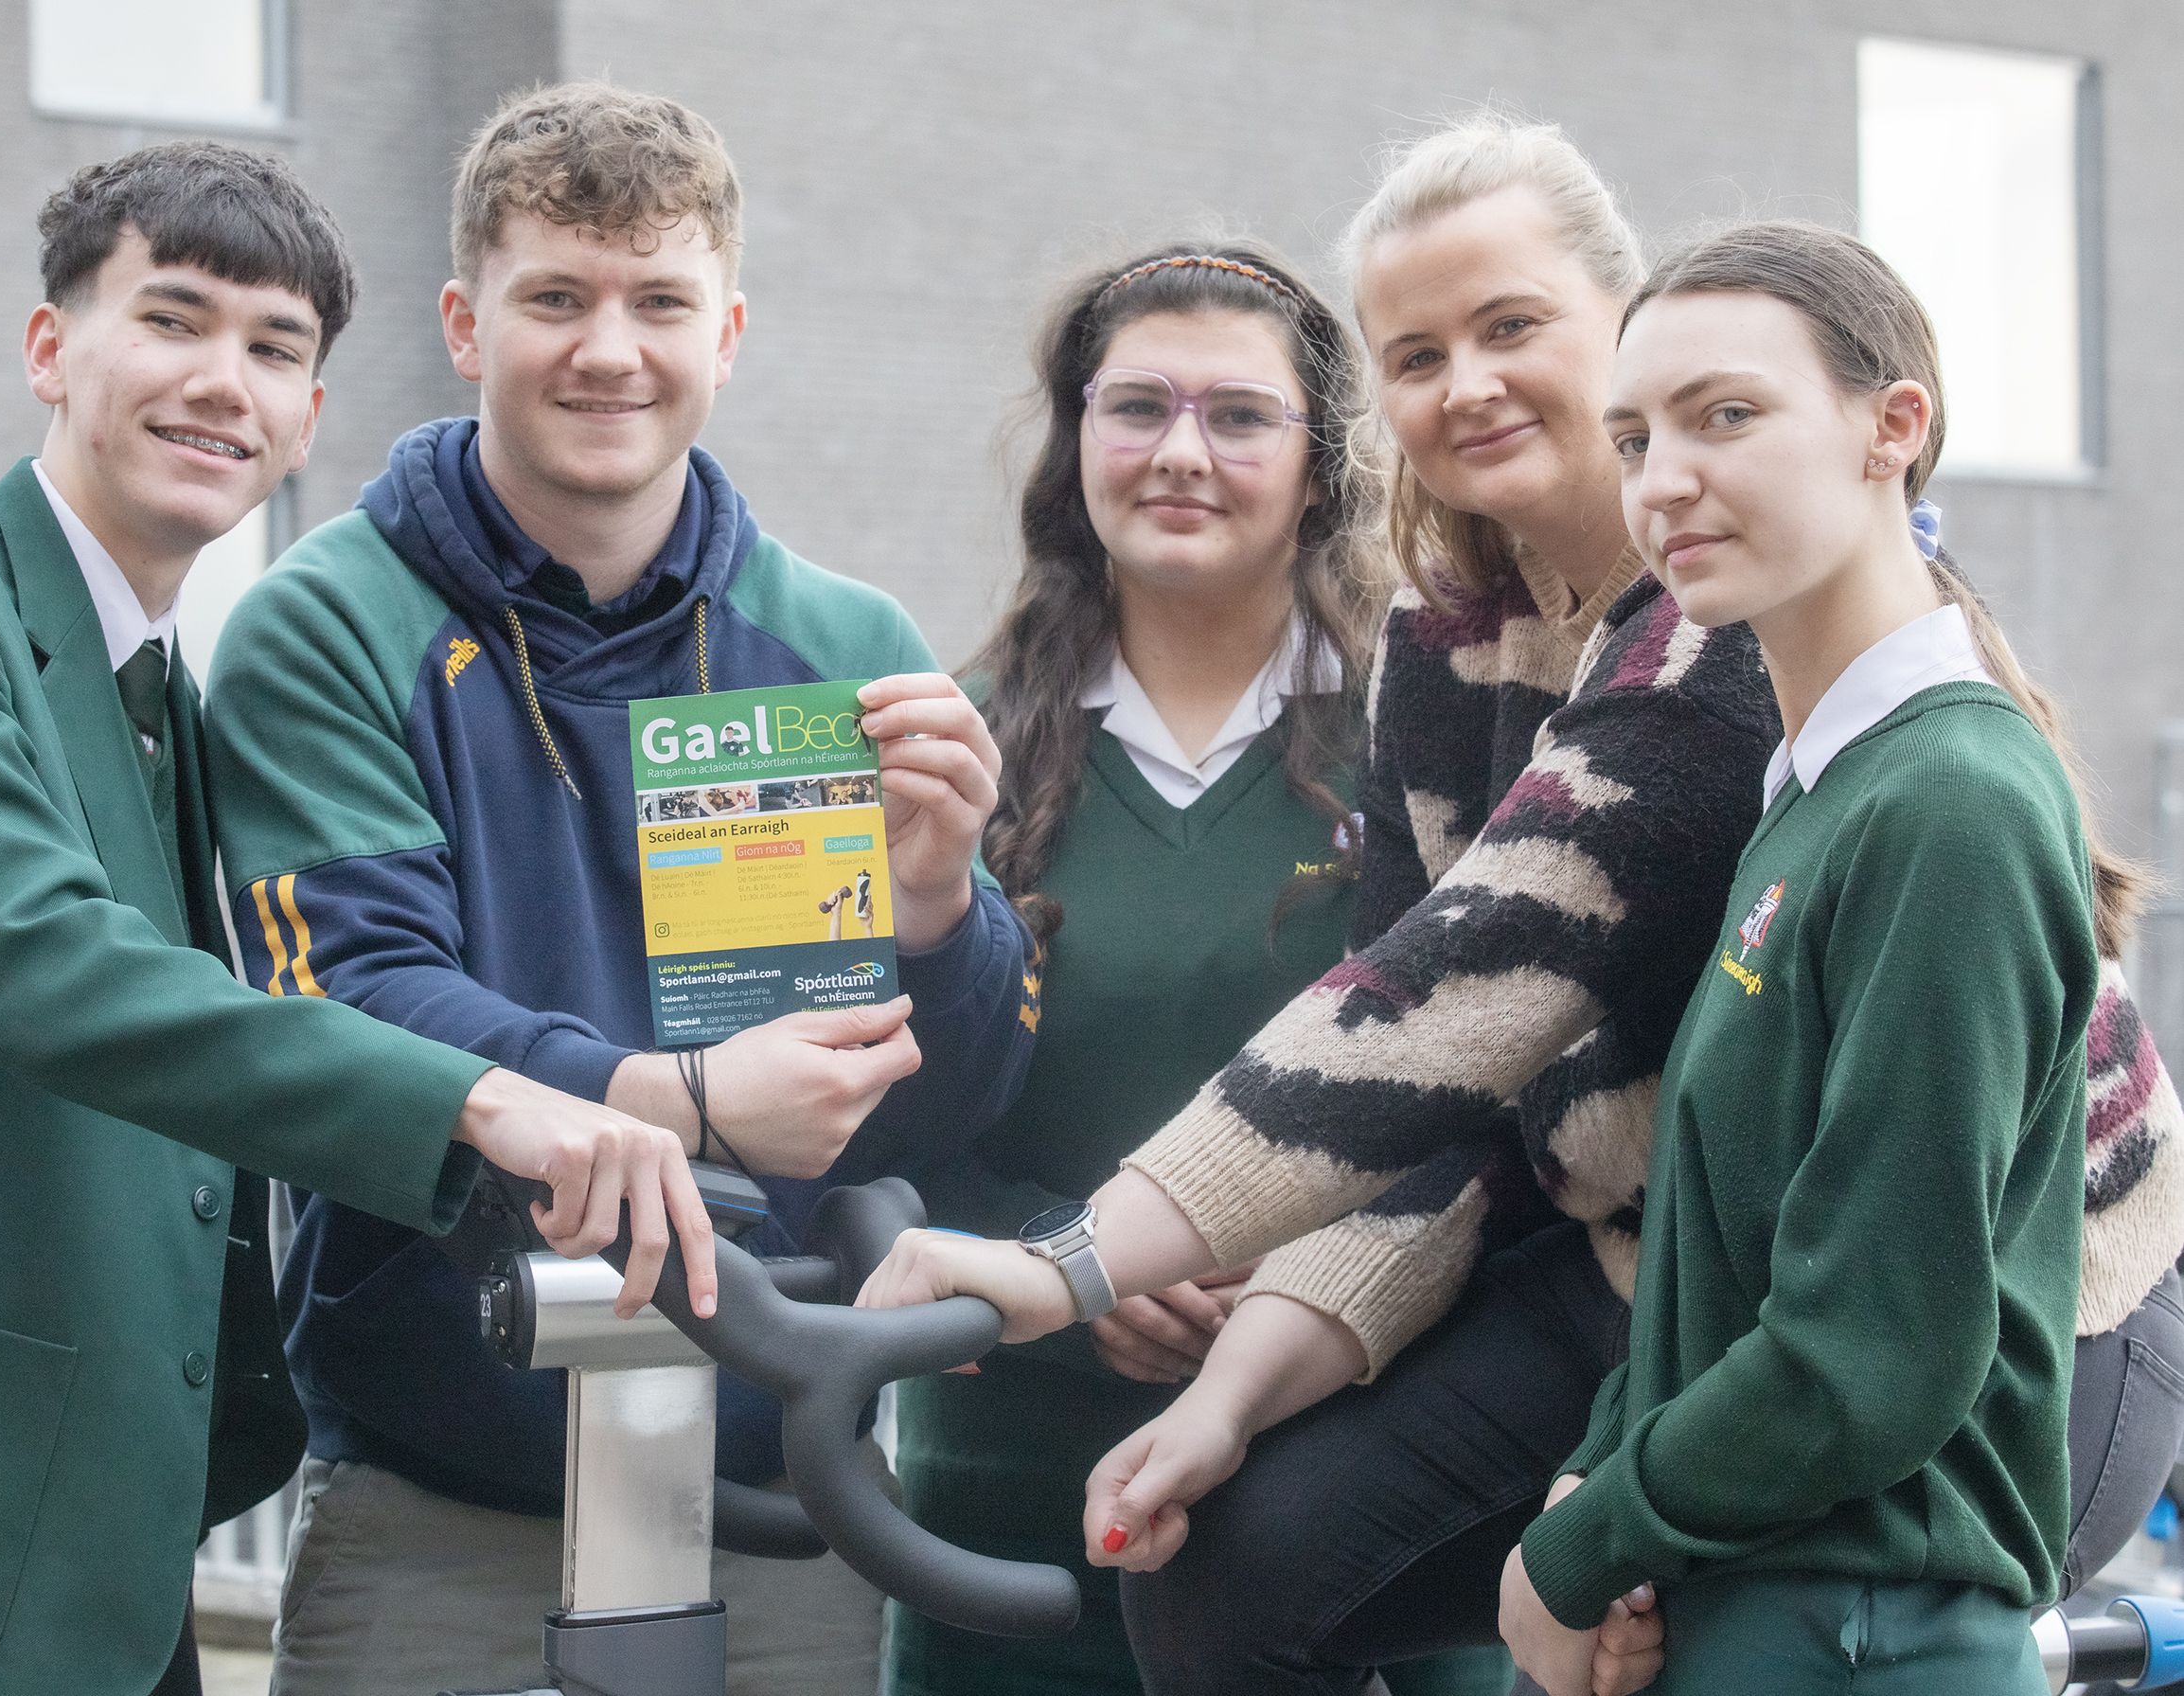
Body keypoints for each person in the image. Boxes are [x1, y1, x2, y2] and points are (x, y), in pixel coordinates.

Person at [859, 117, 2184, 1696]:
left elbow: (1450, 996)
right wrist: (1242, 1388)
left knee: (1694, 1615)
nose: (1465, 383)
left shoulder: (1738, 637)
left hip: (1984, 1299)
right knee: (1230, 1579)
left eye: (1510, 327)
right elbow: (1442, 1102)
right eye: (1414, 353)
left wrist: (1076, 1262)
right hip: (1653, 1271)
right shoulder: (1446, 637)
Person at [0, 142, 719, 1696]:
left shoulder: (165, 691)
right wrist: (486, 1100)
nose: (224, 382)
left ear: (310, 419)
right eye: (173, 319)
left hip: (96, 1516)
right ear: (49, 349)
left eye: (275, 350)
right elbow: (46, 967)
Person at [201, 82, 1036, 1696]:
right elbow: (352, 997)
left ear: (728, 330)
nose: (610, 350)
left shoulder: (844, 643)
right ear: (465, 321)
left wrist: (939, 913)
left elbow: (941, 1110)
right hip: (445, 1473)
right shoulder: (326, 627)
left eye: (659, 301)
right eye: (556, 298)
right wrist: (687, 1101)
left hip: (784, 1475)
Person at [1499, 217, 2140, 1694]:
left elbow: (1877, 1349)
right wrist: (1593, 1477)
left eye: (1728, 415)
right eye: (1637, 435)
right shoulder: (1824, 791)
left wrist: (1582, 1548)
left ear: (1890, 427)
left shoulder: (1950, 804)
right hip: (1766, 1614)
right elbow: (1732, 1268)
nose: (1667, 480)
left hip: (1866, 1631)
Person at [888, 241, 1518, 1696]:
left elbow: (1508, 1094)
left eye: (1239, 415)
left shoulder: (1437, 732)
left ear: (1323, 467)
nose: (1183, 452)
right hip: (1012, 1527)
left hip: (1381, 1508)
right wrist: (1073, 1258)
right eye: (1138, 408)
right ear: (1075, 445)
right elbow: (872, 1119)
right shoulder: (948, 751)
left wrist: (1301, 1277)